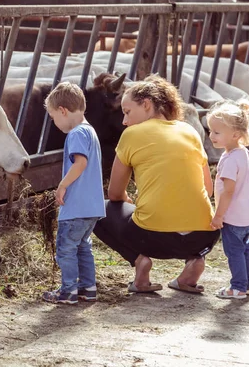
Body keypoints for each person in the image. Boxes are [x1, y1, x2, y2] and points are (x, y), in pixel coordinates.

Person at [93, 75, 220, 294]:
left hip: (152, 237)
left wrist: (125, 198)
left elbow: (114, 193)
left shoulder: (131, 134)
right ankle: (194, 262)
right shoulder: (189, 131)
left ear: (146, 104)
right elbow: (208, 190)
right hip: (204, 236)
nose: (124, 121)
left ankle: (140, 262)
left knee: (96, 209)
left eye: (127, 111)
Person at [41, 82, 106, 305]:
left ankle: (67, 291)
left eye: (52, 116)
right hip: (92, 207)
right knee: (83, 248)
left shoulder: (76, 134)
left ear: (63, 111)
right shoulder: (91, 131)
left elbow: (80, 163)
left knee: (66, 250)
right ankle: (87, 288)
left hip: (76, 207)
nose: (54, 122)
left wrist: (62, 185)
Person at [206, 100, 249, 300]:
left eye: (217, 132)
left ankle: (238, 287)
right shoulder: (243, 153)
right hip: (245, 216)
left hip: (232, 217)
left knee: (234, 252)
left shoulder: (229, 160)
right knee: (244, 250)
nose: (211, 136)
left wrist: (218, 216)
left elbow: (228, 192)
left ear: (235, 135)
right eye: (210, 130)